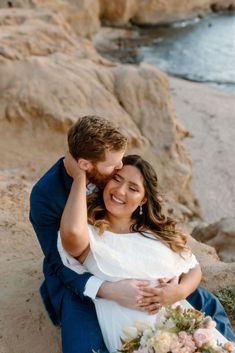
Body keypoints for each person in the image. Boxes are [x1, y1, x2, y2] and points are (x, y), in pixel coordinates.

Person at [30, 116, 235, 353]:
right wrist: (109, 289)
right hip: (83, 281)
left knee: (205, 303)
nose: (119, 169)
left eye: (121, 163)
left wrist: (177, 289)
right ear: (85, 165)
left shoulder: (114, 178)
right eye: (114, 169)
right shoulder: (46, 197)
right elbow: (59, 262)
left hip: (144, 279)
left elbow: (187, 264)